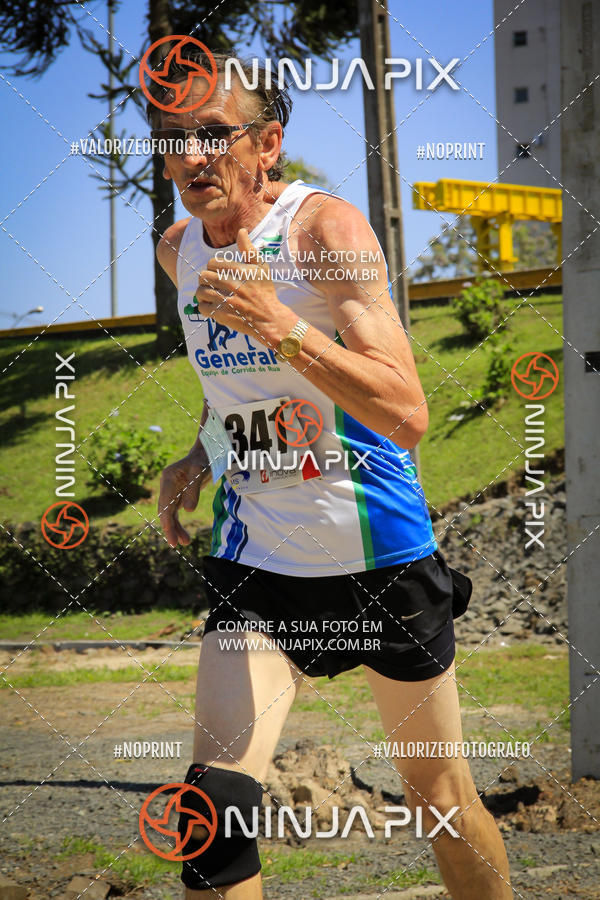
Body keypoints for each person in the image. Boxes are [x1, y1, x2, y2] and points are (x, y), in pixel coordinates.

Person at [152, 49, 513, 899]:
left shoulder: (325, 233)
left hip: (379, 560)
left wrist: (284, 328)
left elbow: (406, 411)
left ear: (268, 142)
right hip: (260, 563)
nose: (190, 157)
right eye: (173, 138)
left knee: (441, 799)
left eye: (213, 135)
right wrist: (198, 455)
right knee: (214, 812)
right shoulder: (180, 250)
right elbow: (230, 388)